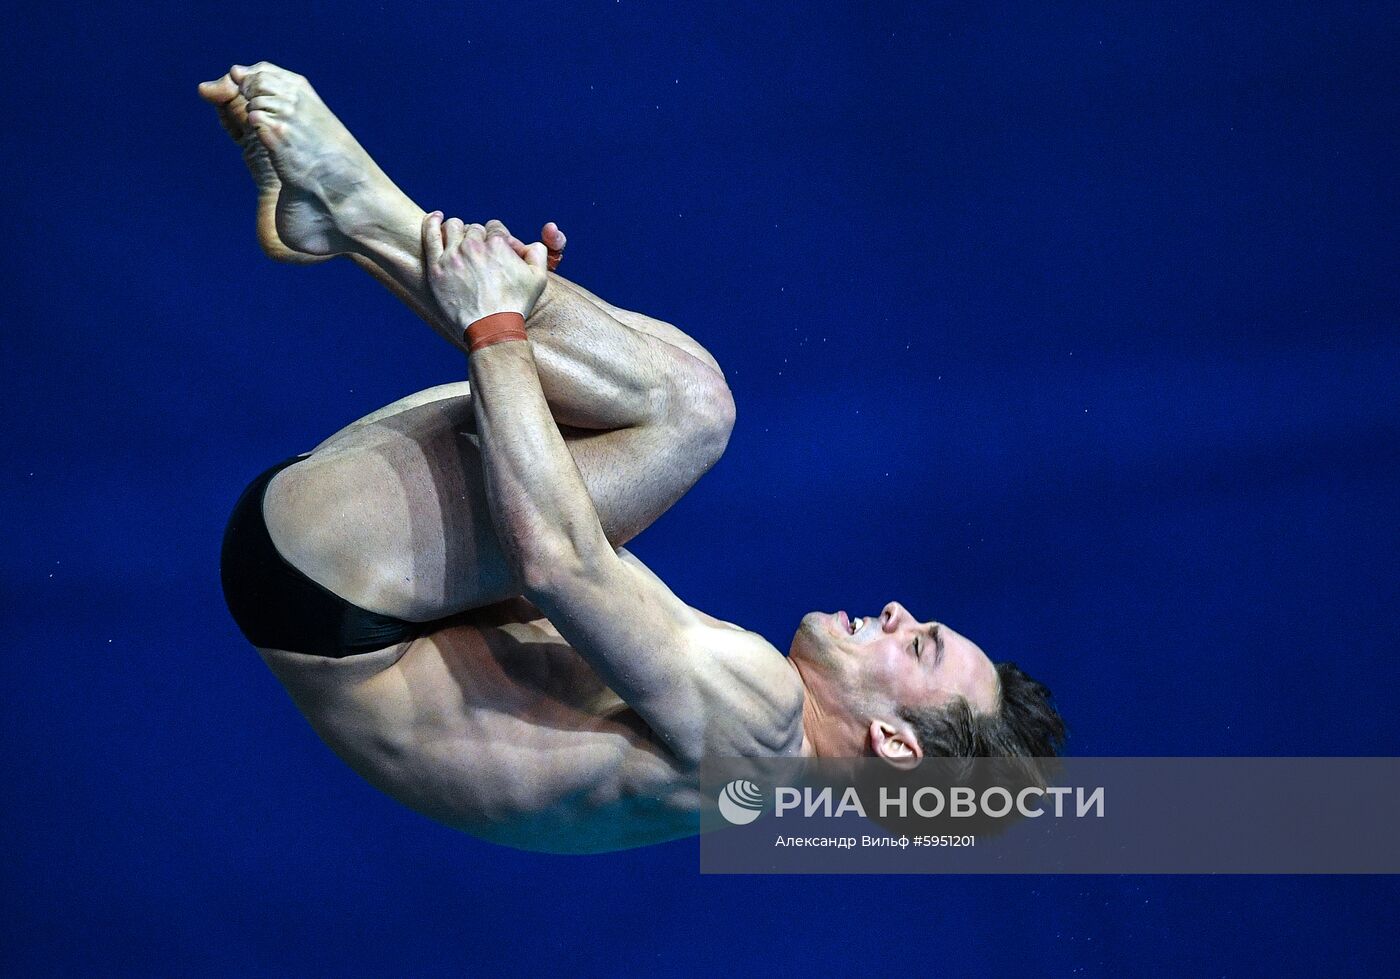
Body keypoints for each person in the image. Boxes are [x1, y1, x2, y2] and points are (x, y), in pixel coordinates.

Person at [203, 63, 1065, 853]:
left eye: (918, 647)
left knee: (691, 413)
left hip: (330, 582)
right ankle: (352, 222)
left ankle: (361, 212)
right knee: (669, 394)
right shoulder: (753, 780)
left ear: (895, 744)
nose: (898, 609)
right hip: (343, 598)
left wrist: (500, 328)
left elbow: (558, 559)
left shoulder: (757, 724)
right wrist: (553, 352)